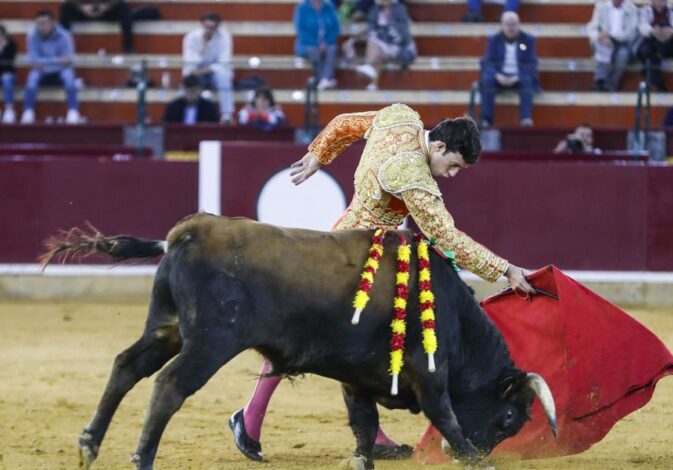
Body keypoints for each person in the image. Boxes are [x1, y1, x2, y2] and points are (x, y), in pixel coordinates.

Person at [228, 103, 536, 463]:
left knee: (364, 344)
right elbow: (445, 237)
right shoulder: (411, 174)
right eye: (453, 165)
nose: (451, 175)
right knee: (308, 338)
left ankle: (371, 435)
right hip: (359, 265)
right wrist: (505, 269)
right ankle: (248, 419)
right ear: (438, 148)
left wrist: (317, 155)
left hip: (356, 248)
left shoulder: (400, 117)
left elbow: (345, 124)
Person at [479, 12, 539, 127]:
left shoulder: (528, 40)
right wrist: (497, 75)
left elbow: (532, 63)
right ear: (502, 25)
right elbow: (487, 62)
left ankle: (526, 119)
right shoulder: (493, 40)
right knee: (487, 80)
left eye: (514, 24)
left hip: (519, 77)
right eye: (507, 24)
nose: (511, 27)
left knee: (527, 80)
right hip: (499, 77)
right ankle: (486, 119)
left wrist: (517, 76)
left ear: (519, 24)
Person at [22, 10, 80, 124]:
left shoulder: (65, 36)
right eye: (39, 23)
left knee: (69, 76)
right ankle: (28, 111)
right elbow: (33, 61)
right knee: (32, 78)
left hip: (60, 70)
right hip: (42, 70)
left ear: (53, 23)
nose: (42, 26)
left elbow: (68, 59)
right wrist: (56, 60)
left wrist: (45, 62)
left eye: (45, 23)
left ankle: (73, 111)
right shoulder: (32, 36)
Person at [346, 0, 417, 91]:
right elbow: (371, 29)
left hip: (400, 48)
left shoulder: (400, 10)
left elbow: (402, 36)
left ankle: (369, 66)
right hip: (381, 46)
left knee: (375, 43)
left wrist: (381, 36)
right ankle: (373, 85)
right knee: (374, 44)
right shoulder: (375, 10)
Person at [182, 13, 235, 124]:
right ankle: (188, 110)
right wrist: (204, 45)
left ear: (217, 27)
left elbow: (224, 63)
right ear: (202, 24)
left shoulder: (225, 37)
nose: (209, 30)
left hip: (214, 73)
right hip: (196, 72)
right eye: (207, 27)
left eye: (212, 28)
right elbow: (189, 61)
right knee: (187, 76)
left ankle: (226, 114)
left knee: (224, 75)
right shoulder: (191, 37)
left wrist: (203, 70)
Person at [635, 0, 673, 92]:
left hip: (670, 45)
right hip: (651, 43)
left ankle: (649, 71)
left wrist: (671, 31)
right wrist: (653, 32)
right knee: (645, 49)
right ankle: (659, 84)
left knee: (664, 24)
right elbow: (642, 27)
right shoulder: (644, 10)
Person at [587, 0, 639, 91]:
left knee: (623, 55)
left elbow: (632, 33)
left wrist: (613, 38)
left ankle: (611, 84)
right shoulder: (601, 7)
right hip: (604, 39)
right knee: (603, 47)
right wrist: (600, 36)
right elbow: (592, 28)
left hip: (624, 42)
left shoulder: (632, 9)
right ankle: (600, 81)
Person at [294, 0, 341, 91]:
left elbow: (336, 28)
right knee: (314, 51)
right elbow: (301, 31)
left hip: (327, 43)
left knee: (332, 49)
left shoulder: (329, 6)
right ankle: (322, 79)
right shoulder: (302, 7)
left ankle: (326, 79)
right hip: (308, 44)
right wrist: (317, 43)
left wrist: (326, 42)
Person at [60, 0, 133, 53]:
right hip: (84, 12)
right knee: (65, 7)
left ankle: (128, 48)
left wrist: (107, 6)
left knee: (123, 7)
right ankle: (63, 48)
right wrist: (81, 7)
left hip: (105, 12)